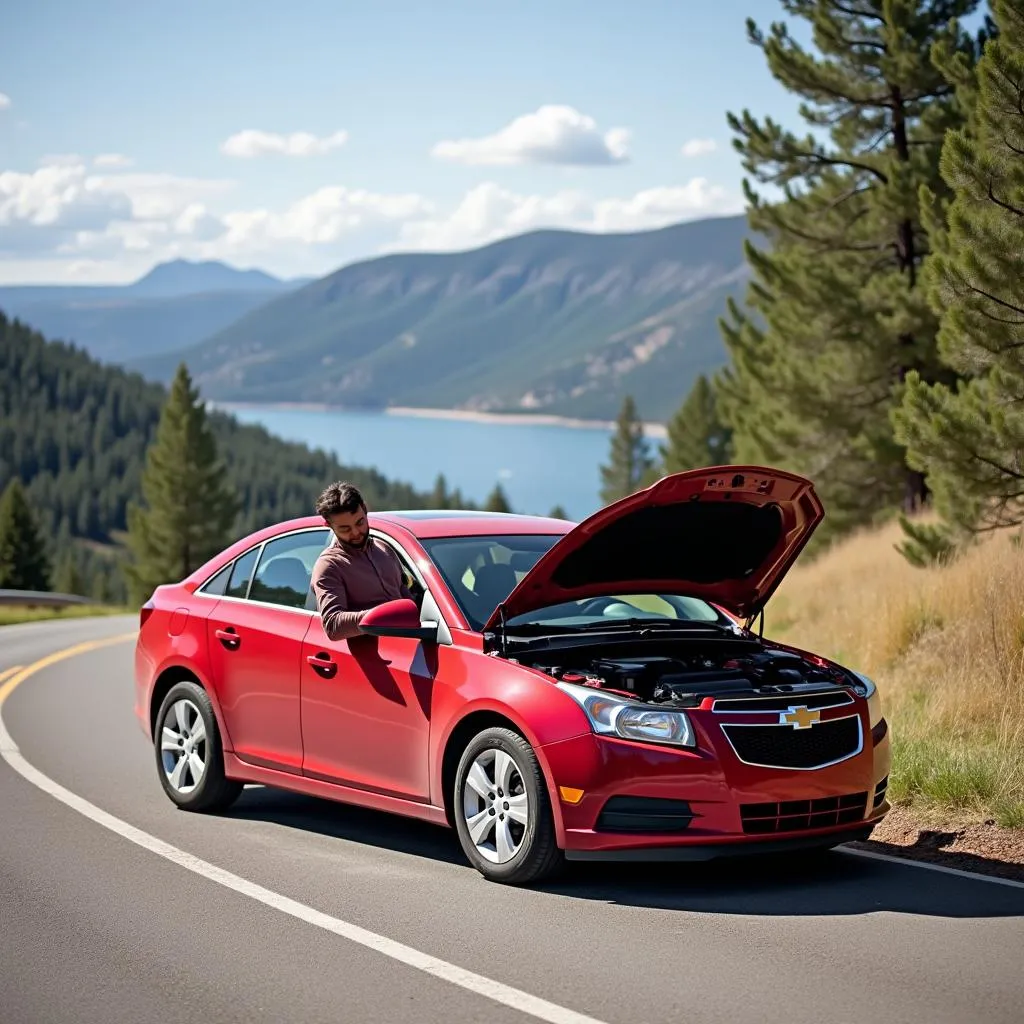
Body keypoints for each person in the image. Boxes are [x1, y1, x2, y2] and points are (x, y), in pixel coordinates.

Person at [310, 481, 414, 641]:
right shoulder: (329, 566)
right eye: (345, 529)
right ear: (328, 525)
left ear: (365, 510)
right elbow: (333, 625)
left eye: (360, 522)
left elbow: (404, 594)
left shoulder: (385, 549)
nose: (356, 532)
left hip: (411, 648)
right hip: (371, 657)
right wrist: (384, 618)